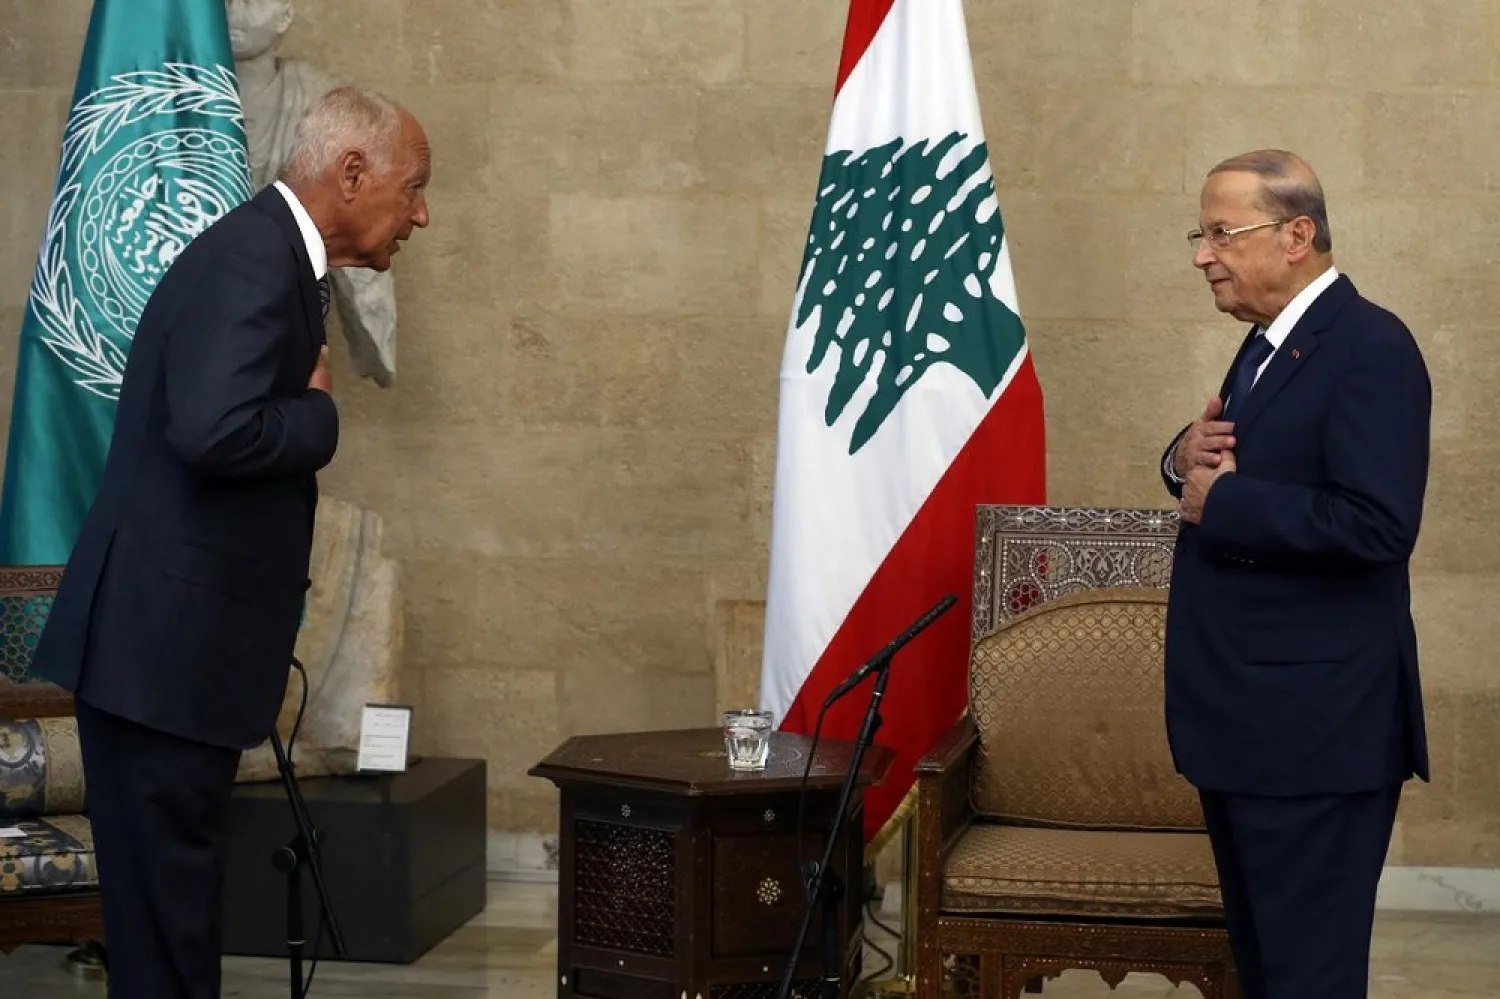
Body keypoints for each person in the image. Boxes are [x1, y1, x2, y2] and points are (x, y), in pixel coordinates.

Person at [28, 84, 431, 999]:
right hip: (159, 662)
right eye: (413, 187)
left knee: (171, 926)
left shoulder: (271, 255)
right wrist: (319, 417)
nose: (421, 214)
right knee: (165, 934)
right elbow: (214, 431)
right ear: (351, 173)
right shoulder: (254, 258)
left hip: (169, 660)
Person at [1160, 149, 1430, 999]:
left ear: (1296, 235)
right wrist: (1181, 459)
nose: (1203, 256)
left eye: (1220, 233)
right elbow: (1243, 468)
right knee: (1268, 971)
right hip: (1252, 727)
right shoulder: (1266, 345)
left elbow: (1378, 524)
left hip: (1315, 734)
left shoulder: (1371, 346)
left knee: (1307, 976)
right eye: (1200, 235)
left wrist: (1225, 501)